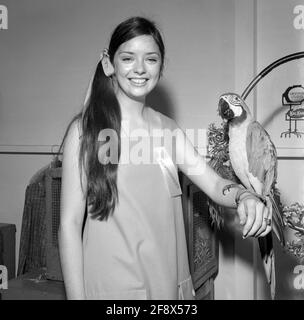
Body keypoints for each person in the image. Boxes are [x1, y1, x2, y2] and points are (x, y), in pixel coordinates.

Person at [58, 16, 271, 300]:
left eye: (151, 59)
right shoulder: (85, 132)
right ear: (109, 63)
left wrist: (244, 196)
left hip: (170, 289)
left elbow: (215, 185)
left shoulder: (169, 131)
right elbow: (69, 225)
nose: (140, 69)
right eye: (127, 58)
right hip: (111, 291)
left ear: (161, 66)